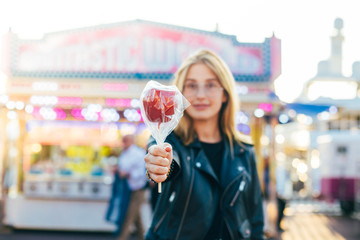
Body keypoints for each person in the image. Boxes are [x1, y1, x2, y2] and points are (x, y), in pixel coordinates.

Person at [144, 49, 265, 240]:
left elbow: (255, 220)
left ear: (225, 94)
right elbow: (167, 162)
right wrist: (159, 165)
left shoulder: (244, 151)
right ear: (179, 93)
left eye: (211, 85)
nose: (200, 95)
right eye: (191, 86)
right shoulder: (168, 141)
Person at [116, 134, 147, 240]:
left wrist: (128, 174)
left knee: (128, 216)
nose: (124, 143)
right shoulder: (125, 153)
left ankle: (122, 238)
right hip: (128, 188)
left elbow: (143, 172)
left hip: (138, 189)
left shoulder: (138, 154)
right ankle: (143, 237)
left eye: (126, 141)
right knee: (136, 218)